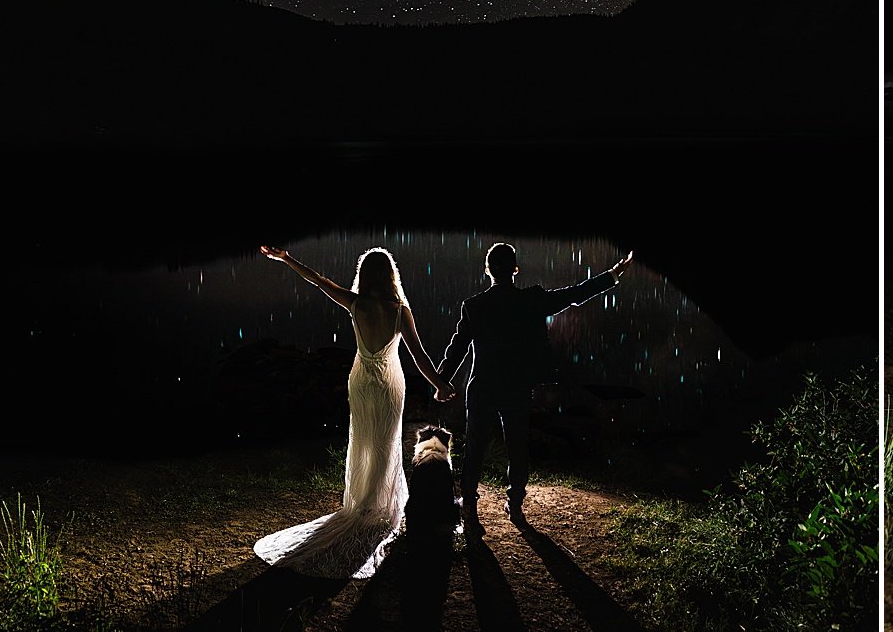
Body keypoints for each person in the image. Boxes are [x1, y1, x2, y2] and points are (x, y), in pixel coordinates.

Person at [253, 244, 456, 579]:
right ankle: (375, 506)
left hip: (362, 381)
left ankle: (362, 503)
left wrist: (287, 260)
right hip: (390, 383)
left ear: (365, 275)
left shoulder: (356, 303)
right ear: (391, 276)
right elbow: (419, 355)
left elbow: (318, 281)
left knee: (362, 440)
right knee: (384, 442)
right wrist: (438, 384)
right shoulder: (399, 310)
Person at [438, 241, 634, 532]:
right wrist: (612, 275)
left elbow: (457, 347)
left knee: (475, 449)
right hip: (516, 388)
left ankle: (469, 507)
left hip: (482, 388)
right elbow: (575, 295)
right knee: (518, 448)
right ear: (515, 269)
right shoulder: (532, 300)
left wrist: (441, 381)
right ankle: (515, 505)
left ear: (487, 270)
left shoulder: (475, 306)